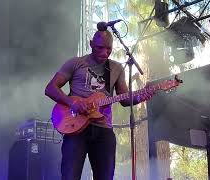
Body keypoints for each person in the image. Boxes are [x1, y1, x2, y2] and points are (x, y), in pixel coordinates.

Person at [45, 30, 155, 180]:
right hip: (75, 128)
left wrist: (141, 96)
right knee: (70, 176)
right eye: (100, 48)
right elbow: (50, 88)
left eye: (109, 49)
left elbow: (124, 99)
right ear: (91, 44)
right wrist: (73, 103)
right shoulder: (75, 63)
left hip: (104, 130)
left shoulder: (116, 68)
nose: (105, 53)